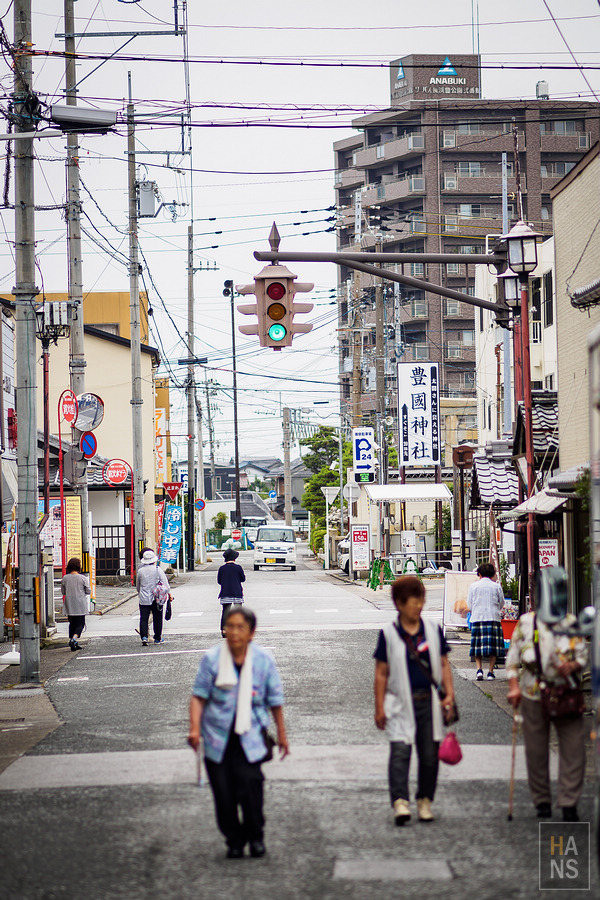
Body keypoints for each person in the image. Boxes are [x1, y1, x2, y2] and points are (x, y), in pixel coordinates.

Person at [188, 606, 289, 859]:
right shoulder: (212, 659)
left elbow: (275, 700)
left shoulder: (263, 661)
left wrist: (282, 735)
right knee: (224, 794)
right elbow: (199, 697)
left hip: (250, 736)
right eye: (229, 626)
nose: (233, 632)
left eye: (239, 627)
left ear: (251, 633)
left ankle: (256, 836)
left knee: (251, 787)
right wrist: (195, 728)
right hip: (216, 738)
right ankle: (234, 838)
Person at [374, 575, 455, 825]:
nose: (419, 605)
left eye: (421, 599)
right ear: (399, 603)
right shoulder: (389, 633)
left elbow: (443, 663)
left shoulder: (432, 630)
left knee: (430, 755)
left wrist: (449, 694)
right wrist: (379, 707)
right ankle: (400, 802)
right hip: (399, 703)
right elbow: (381, 672)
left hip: (429, 702)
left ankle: (425, 800)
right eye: (413, 601)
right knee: (400, 752)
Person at [506, 611, 588, 821]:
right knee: (536, 749)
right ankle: (542, 800)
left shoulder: (570, 622)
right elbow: (513, 660)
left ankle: (569, 802)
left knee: (574, 747)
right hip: (533, 693)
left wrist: (572, 665)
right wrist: (514, 687)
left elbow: (582, 655)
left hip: (565, 693)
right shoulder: (526, 622)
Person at [467, 562, 505, 681]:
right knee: (493, 647)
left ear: (479, 574)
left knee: (477, 646)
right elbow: (502, 602)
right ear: (492, 574)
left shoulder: (473, 586)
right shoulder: (497, 586)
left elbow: (469, 604)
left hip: (478, 618)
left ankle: (479, 670)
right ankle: (490, 672)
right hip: (493, 618)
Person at [136, 547, 170, 646]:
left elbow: (138, 585)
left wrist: (140, 592)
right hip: (157, 598)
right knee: (157, 617)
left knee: (144, 618)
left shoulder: (140, 571)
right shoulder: (157, 569)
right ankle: (157, 638)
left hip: (144, 598)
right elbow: (165, 584)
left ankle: (144, 637)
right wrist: (167, 593)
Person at [61, 557, 91, 651]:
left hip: (69, 603)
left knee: (72, 623)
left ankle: (73, 642)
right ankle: (74, 639)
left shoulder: (65, 578)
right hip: (80, 603)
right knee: (81, 623)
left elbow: (63, 591)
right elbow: (88, 590)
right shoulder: (83, 578)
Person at [217, 548, 246, 637]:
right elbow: (243, 579)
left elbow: (219, 581)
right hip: (237, 592)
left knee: (225, 612)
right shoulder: (238, 568)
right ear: (234, 558)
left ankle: (224, 630)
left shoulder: (222, 569)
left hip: (225, 593)